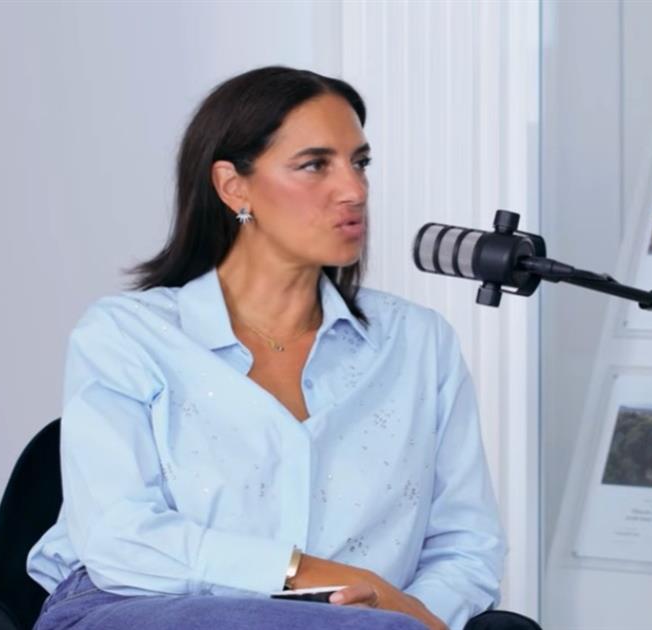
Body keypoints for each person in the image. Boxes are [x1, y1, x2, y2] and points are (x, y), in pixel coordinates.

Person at [27, 66, 507, 630]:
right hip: (134, 608)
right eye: (315, 165)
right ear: (233, 186)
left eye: (360, 163)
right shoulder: (129, 335)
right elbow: (118, 539)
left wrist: (409, 613)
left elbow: (466, 546)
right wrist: (310, 576)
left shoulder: (418, 343)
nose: (354, 190)